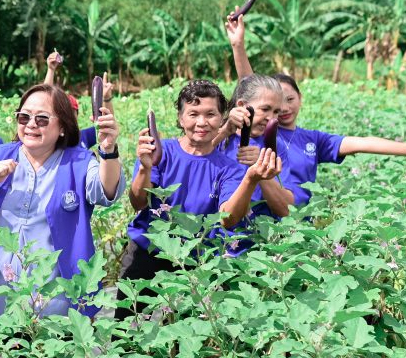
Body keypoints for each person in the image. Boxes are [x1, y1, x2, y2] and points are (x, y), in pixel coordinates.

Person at [0, 84, 125, 320]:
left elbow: (106, 192)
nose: (31, 124)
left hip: (60, 309)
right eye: (24, 117)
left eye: (42, 119)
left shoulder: (78, 161)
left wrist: (108, 151)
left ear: (62, 127)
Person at [116, 81, 284, 317]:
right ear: (181, 117)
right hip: (148, 250)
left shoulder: (229, 167)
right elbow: (139, 203)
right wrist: (144, 169)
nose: (202, 122)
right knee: (128, 328)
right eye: (193, 114)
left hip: (196, 260)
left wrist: (251, 179)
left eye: (210, 114)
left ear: (222, 118)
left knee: (186, 337)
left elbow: (229, 219)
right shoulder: (160, 152)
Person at [227, 13, 406, 205]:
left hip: (301, 220)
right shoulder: (263, 132)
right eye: (272, 106)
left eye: (289, 99)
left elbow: (363, 143)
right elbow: (249, 86)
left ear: (300, 97)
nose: (283, 108)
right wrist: (238, 45)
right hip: (269, 221)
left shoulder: (312, 139)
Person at [215, 74, 295, 220]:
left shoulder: (275, 144)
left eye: (276, 111)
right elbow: (195, 154)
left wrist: (262, 168)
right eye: (265, 109)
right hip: (219, 237)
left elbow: (286, 209)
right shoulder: (218, 137)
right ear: (242, 106)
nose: (271, 118)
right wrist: (225, 130)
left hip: (263, 236)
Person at [43, 50, 114, 150]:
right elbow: (44, 102)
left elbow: (107, 126)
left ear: (77, 116)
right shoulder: (51, 141)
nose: (67, 117)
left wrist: (106, 99)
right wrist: (51, 70)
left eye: (70, 112)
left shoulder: (84, 136)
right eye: (63, 112)